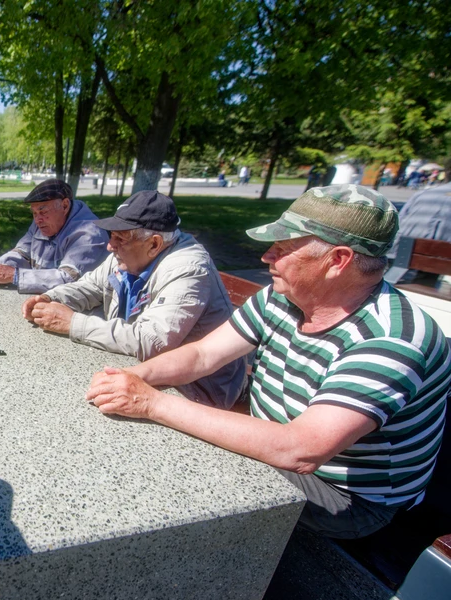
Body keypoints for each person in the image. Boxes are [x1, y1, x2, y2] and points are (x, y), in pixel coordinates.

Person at [86, 185, 449, 539]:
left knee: (191, 467)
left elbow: (301, 449)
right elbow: (204, 354)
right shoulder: (286, 296)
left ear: (338, 260)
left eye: (283, 248)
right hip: (280, 444)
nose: (266, 258)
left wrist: (150, 402)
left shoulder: (391, 338)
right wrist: (133, 375)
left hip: (348, 498)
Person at [23, 191, 245, 409]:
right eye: (111, 235)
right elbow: (90, 286)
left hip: (196, 392)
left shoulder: (188, 269)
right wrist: (51, 297)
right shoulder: (127, 254)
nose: (110, 246)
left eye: (120, 237)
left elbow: (152, 341)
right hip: (142, 369)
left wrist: (72, 323)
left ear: (154, 244)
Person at [0, 179, 109, 294]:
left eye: (43, 211)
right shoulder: (43, 221)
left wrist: (15, 276)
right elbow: (22, 252)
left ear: (64, 205)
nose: (37, 220)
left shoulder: (90, 234)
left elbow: (69, 279)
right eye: (34, 213)